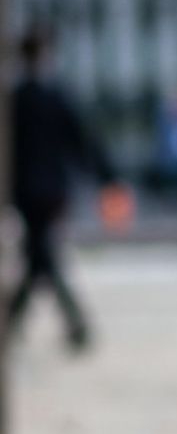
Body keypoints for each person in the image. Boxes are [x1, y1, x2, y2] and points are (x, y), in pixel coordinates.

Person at [7, 28, 118, 352]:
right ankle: (74, 324)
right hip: (50, 190)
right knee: (41, 256)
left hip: (27, 191)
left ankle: (20, 321)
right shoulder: (52, 96)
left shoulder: (16, 98)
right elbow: (82, 141)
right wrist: (107, 177)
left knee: (38, 255)